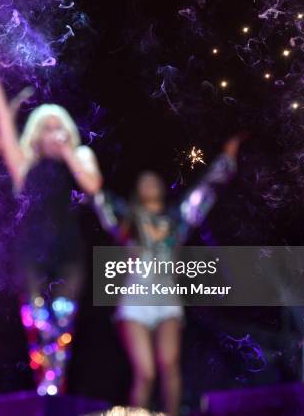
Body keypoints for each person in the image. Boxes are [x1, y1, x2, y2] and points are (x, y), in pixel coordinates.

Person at [0, 45, 103, 395]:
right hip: (32, 250)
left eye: (57, 126)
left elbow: (92, 186)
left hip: (69, 250)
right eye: (45, 127)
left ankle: (55, 391)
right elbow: (3, 123)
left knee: (62, 324)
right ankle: (44, 392)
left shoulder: (81, 155)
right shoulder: (24, 163)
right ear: (35, 134)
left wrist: (68, 154)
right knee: (36, 324)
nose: (52, 132)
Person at [93, 134, 245, 415]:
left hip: (166, 300)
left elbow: (204, 190)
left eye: (154, 180)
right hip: (135, 301)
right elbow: (98, 195)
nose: (150, 184)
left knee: (170, 366)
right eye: (144, 181)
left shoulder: (176, 220)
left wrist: (226, 157)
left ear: (161, 188)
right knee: (146, 372)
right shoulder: (128, 218)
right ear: (138, 190)